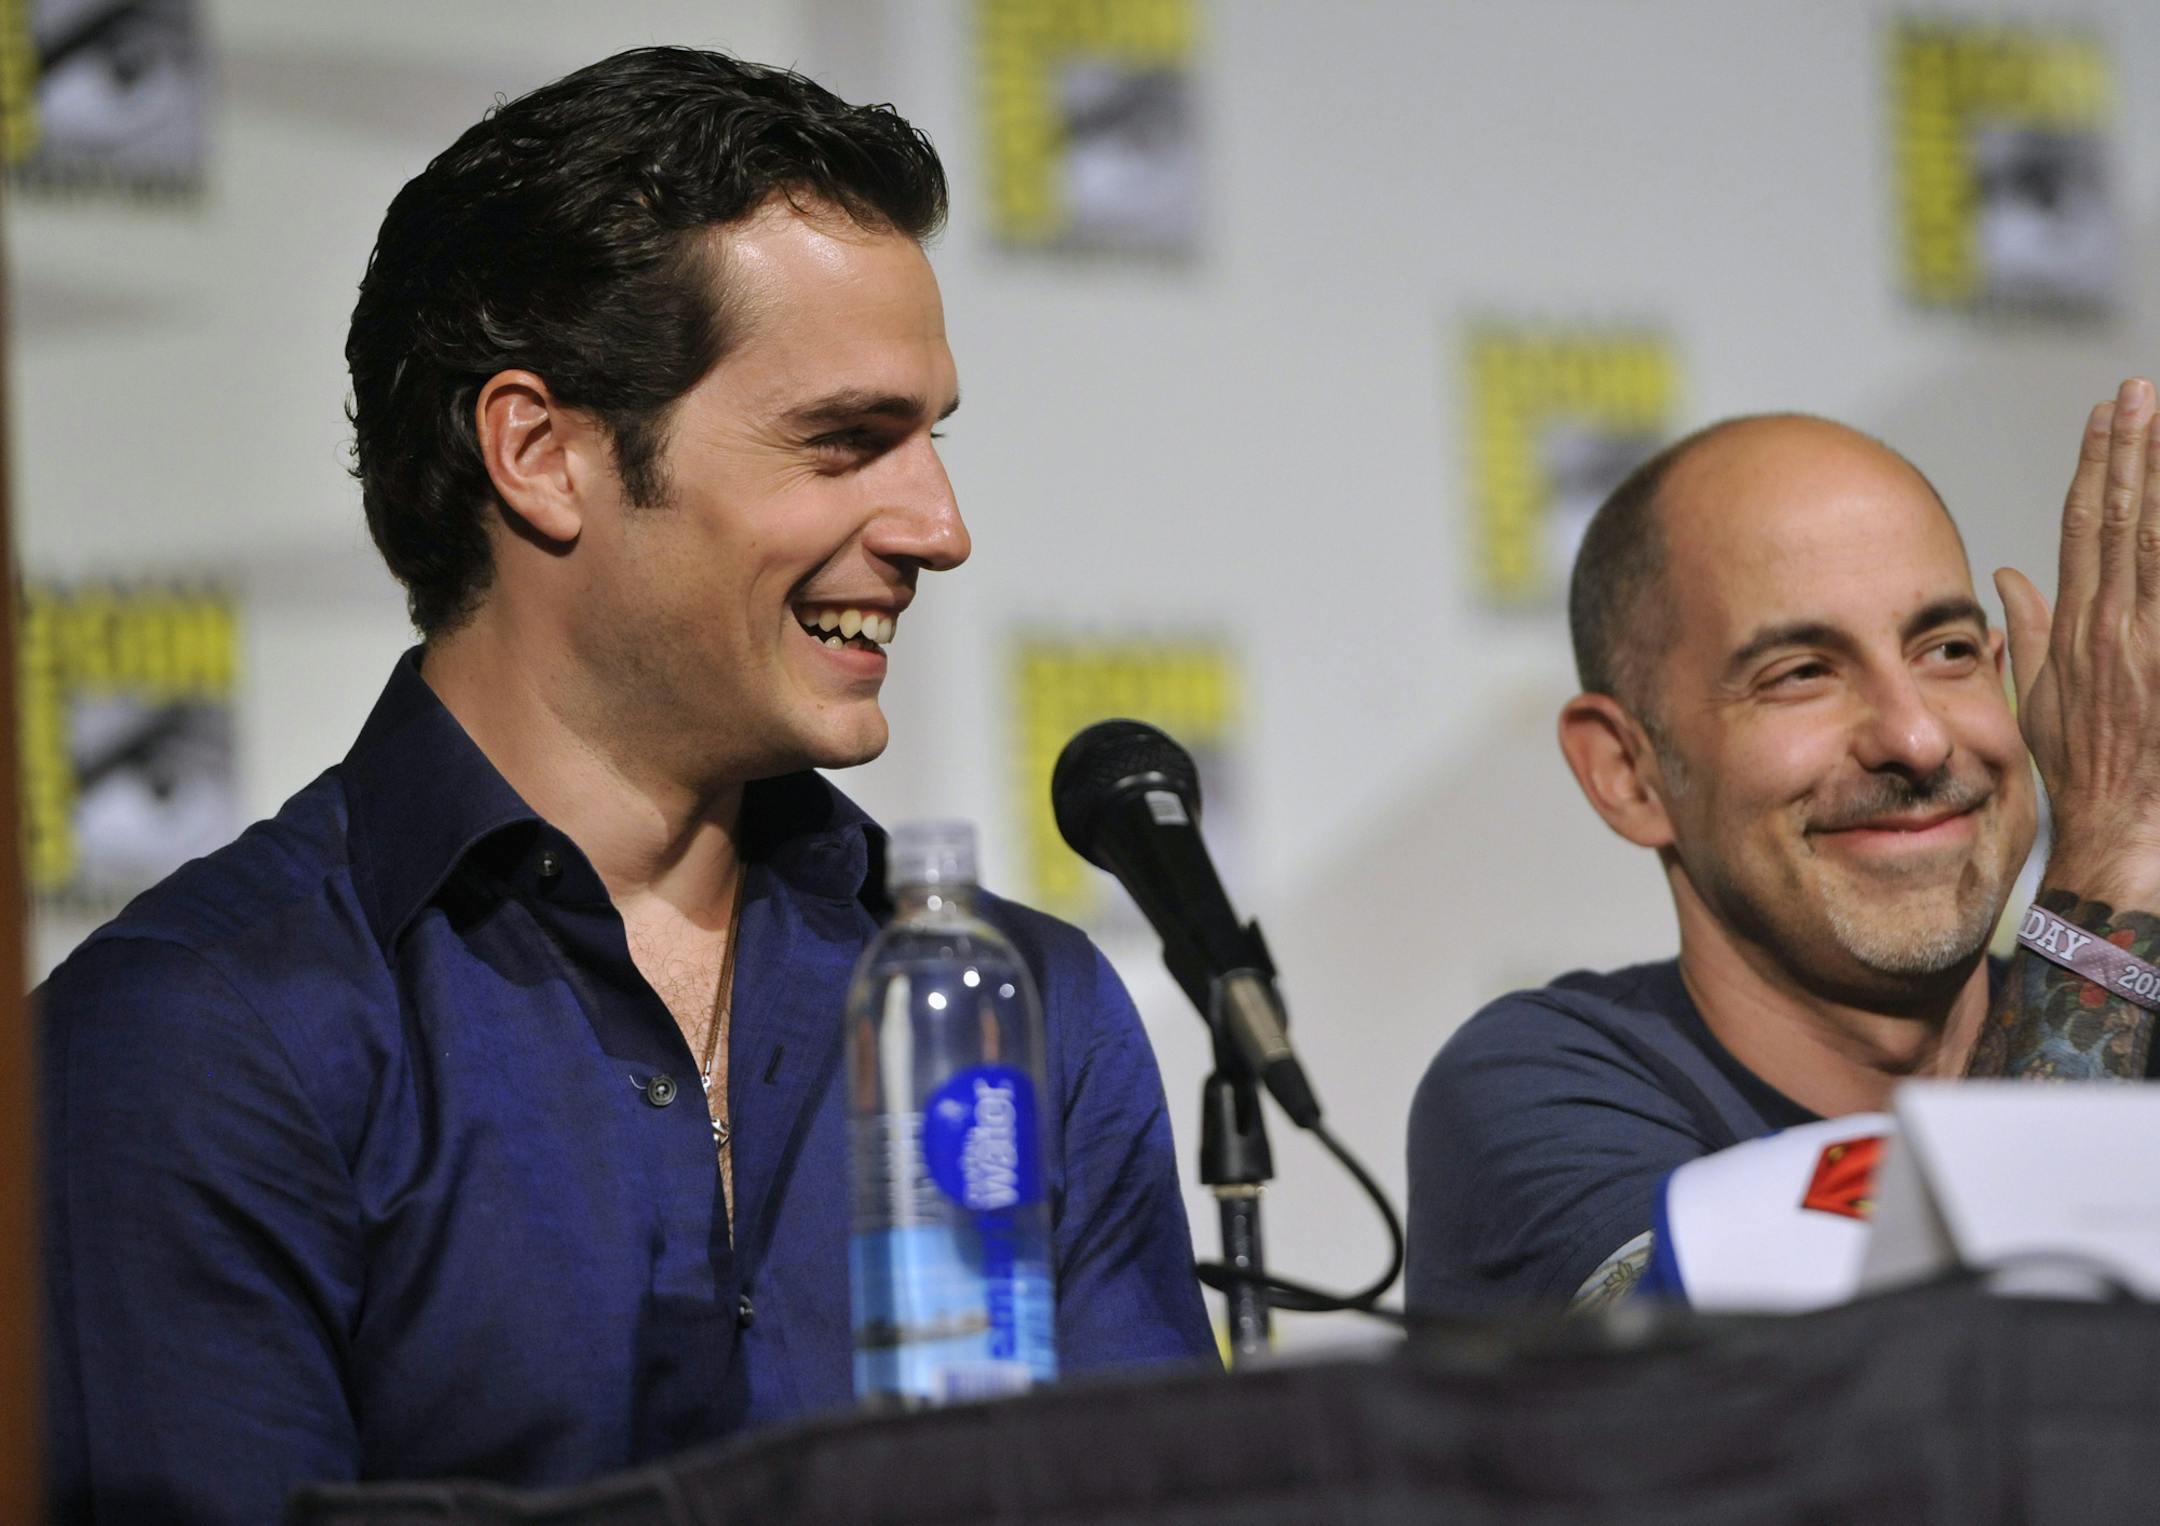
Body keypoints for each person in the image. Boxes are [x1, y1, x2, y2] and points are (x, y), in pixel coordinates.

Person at [38, 47, 1214, 1521]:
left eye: (933, 440)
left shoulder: (1019, 1011)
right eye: (847, 441)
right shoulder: (195, 1038)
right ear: (540, 453)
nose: (940, 526)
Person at [1407, 385, 2160, 1316]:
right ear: (1629, 772)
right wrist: (2110, 857)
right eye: (1801, 673)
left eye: (1947, 650)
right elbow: (1962, 1402)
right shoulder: (1543, 1099)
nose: (1917, 740)